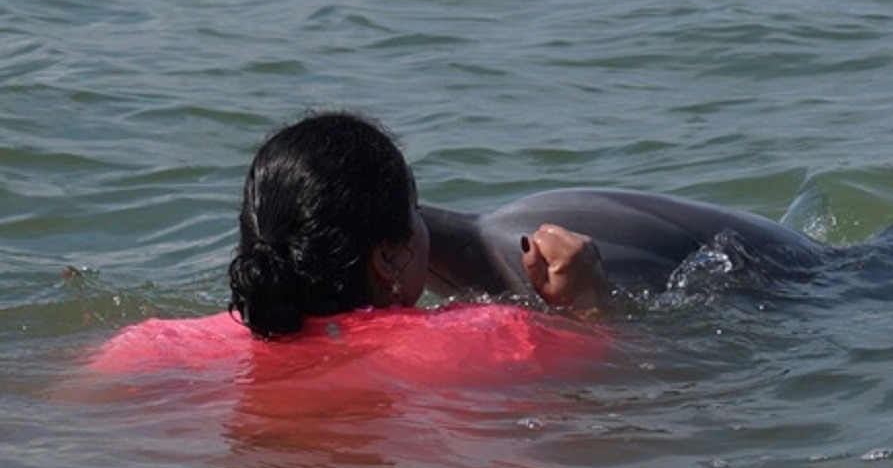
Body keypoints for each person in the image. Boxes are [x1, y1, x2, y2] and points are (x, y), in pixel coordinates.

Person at [227, 110, 610, 339]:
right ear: (388, 259)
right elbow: (602, 374)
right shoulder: (479, 335)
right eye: (415, 206)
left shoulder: (185, 342)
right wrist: (586, 304)